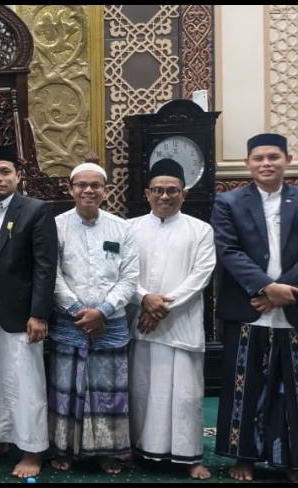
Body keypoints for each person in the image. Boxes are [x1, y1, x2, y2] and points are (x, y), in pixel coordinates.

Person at [0, 145, 57, 479]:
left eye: (4, 172)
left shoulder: (35, 210)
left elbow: (46, 267)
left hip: (21, 312)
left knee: (25, 379)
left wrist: (39, 313)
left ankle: (33, 449)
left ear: (18, 176)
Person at [213, 133, 298, 482]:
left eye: (273, 157)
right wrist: (266, 287)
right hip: (248, 307)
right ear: (247, 163)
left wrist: (282, 291)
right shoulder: (228, 202)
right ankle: (243, 457)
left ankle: (291, 460)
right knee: (244, 387)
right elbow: (228, 250)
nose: (266, 164)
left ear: (287, 160)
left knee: (292, 387)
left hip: (292, 306)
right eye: (259, 158)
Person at [49, 162, 139, 475]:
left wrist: (103, 311)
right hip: (69, 321)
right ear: (71, 189)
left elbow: (129, 277)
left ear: (106, 190)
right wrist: (78, 310)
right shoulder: (56, 226)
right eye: (81, 185)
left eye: (95, 185)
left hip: (109, 322)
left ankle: (108, 452)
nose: (88, 190)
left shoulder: (121, 228)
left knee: (107, 391)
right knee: (68, 388)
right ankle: (65, 450)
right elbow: (52, 274)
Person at [127, 159, 215, 480]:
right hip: (141, 322)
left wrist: (161, 307)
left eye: (172, 190)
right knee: (144, 391)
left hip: (181, 326)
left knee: (185, 395)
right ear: (147, 193)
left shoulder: (200, 230)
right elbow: (123, 273)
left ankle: (189, 457)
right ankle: (142, 449)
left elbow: (200, 276)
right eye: (158, 190)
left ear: (184, 194)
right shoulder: (129, 229)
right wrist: (144, 299)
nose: (165, 196)